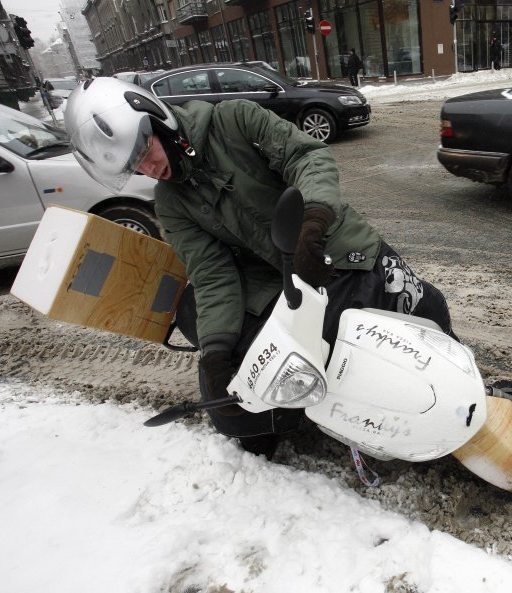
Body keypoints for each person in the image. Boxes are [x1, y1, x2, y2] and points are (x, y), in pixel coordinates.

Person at [64, 77, 457, 457]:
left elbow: (306, 155)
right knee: (250, 398)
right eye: (135, 167)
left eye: (145, 152)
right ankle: (292, 419)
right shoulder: (171, 202)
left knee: (421, 316)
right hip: (284, 278)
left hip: (337, 248)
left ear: (157, 121)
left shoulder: (235, 120)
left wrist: (313, 220)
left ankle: (458, 392)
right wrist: (215, 351)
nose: (148, 169)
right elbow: (212, 273)